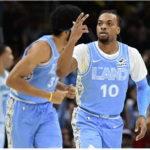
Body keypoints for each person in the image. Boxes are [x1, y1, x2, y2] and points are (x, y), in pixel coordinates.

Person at [56, 10, 150, 148]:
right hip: (87, 120)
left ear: (118, 30)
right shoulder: (84, 50)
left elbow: (143, 86)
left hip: (114, 123)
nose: (103, 26)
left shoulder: (131, 54)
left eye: (109, 23)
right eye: (100, 24)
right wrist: (72, 40)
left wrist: (142, 114)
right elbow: (61, 72)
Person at [4, 5, 82, 148]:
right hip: (21, 109)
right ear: (69, 31)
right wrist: (50, 95)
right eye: (80, 28)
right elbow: (12, 80)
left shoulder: (63, 50)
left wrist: (63, 87)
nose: (83, 31)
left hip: (45, 109)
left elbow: (44, 76)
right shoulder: (43, 48)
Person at [0, 44, 14, 148]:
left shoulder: (9, 76)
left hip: (6, 122)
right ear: (2, 56)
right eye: (10, 54)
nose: (12, 57)